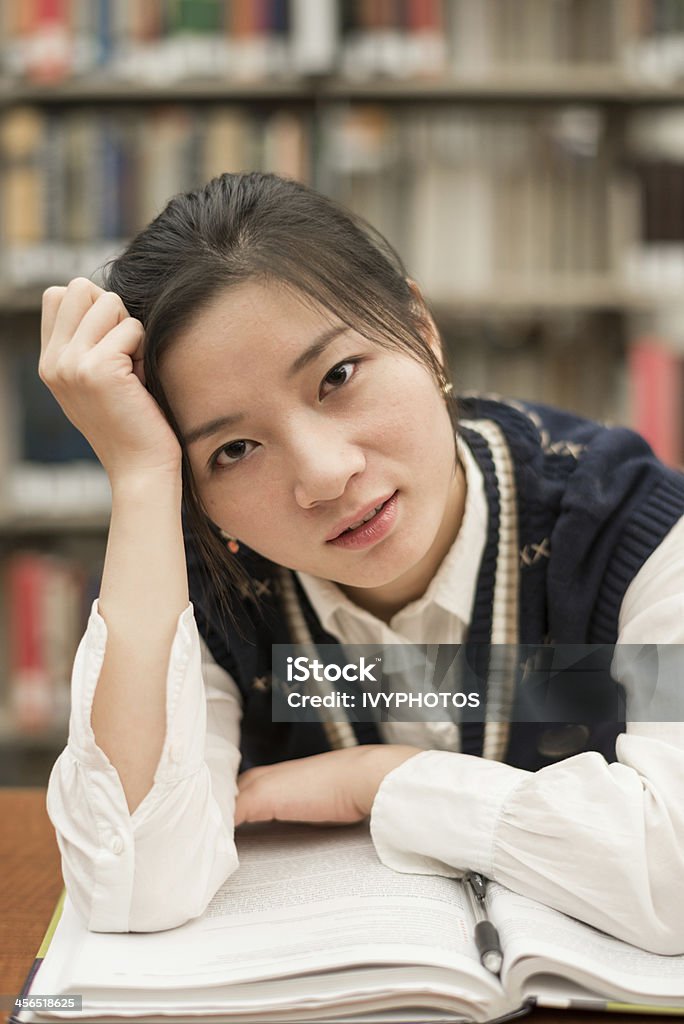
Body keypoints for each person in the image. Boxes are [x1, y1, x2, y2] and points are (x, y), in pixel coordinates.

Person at [41, 172, 684, 951]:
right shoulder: (191, 579)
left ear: (421, 329)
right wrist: (141, 481)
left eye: (337, 377)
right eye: (234, 449)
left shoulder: (627, 525)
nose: (323, 475)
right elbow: (132, 884)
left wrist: (383, 781)